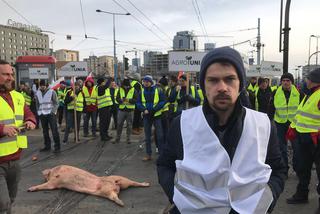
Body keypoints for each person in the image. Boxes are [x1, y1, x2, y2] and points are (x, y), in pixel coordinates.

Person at [157, 47, 286, 214]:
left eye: (230, 79)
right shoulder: (182, 123)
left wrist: (266, 202)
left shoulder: (263, 124)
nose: (222, 87)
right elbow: (164, 165)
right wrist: (178, 198)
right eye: (213, 80)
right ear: (203, 85)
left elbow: (278, 169)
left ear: (241, 84)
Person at [0, 60, 36, 213]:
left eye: (11, 74)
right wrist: (2, 129)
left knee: (11, 199)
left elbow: (28, 113)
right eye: (5, 74)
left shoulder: (18, 96)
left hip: (14, 159)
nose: (10, 78)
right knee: (4, 203)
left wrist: (30, 121)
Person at [286, 68, 320, 211]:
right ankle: (301, 194)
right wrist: (293, 128)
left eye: (307, 78)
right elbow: (301, 115)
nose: (305, 80)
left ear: (313, 81)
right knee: (302, 168)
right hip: (304, 138)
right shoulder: (310, 94)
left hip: (315, 140)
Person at [268, 73, 304, 177]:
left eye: (288, 80)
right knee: (281, 148)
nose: (285, 82)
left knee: (297, 148)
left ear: (291, 82)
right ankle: (284, 170)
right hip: (280, 123)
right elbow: (271, 107)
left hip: (294, 124)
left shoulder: (298, 93)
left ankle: (297, 169)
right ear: (281, 82)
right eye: (283, 80)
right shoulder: (275, 92)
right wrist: (268, 121)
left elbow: (304, 108)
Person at [137, 75, 165, 161]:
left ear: (151, 82)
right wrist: (143, 109)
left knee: (160, 136)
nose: (145, 83)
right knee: (147, 136)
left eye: (147, 81)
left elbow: (163, 101)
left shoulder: (158, 90)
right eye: (144, 81)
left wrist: (154, 110)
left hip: (156, 115)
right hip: (146, 116)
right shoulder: (141, 92)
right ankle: (148, 154)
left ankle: (161, 155)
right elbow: (138, 103)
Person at [35, 80, 61, 153]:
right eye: (41, 85)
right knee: (45, 131)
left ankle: (57, 147)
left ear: (46, 86)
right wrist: (38, 112)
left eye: (44, 85)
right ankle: (47, 146)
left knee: (54, 130)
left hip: (51, 114)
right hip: (42, 114)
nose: (42, 87)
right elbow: (37, 104)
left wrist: (53, 111)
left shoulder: (52, 92)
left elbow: (56, 103)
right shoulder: (38, 93)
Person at [114, 78, 138, 144]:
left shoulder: (133, 90)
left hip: (130, 110)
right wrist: (121, 100)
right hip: (121, 110)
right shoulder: (120, 89)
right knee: (119, 124)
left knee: (129, 125)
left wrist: (128, 100)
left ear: (129, 85)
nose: (126, 87)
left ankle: (128, 139)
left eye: (127, 86)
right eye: (125, 86)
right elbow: (117, 99)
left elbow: (136, 100)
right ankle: (117, 138)